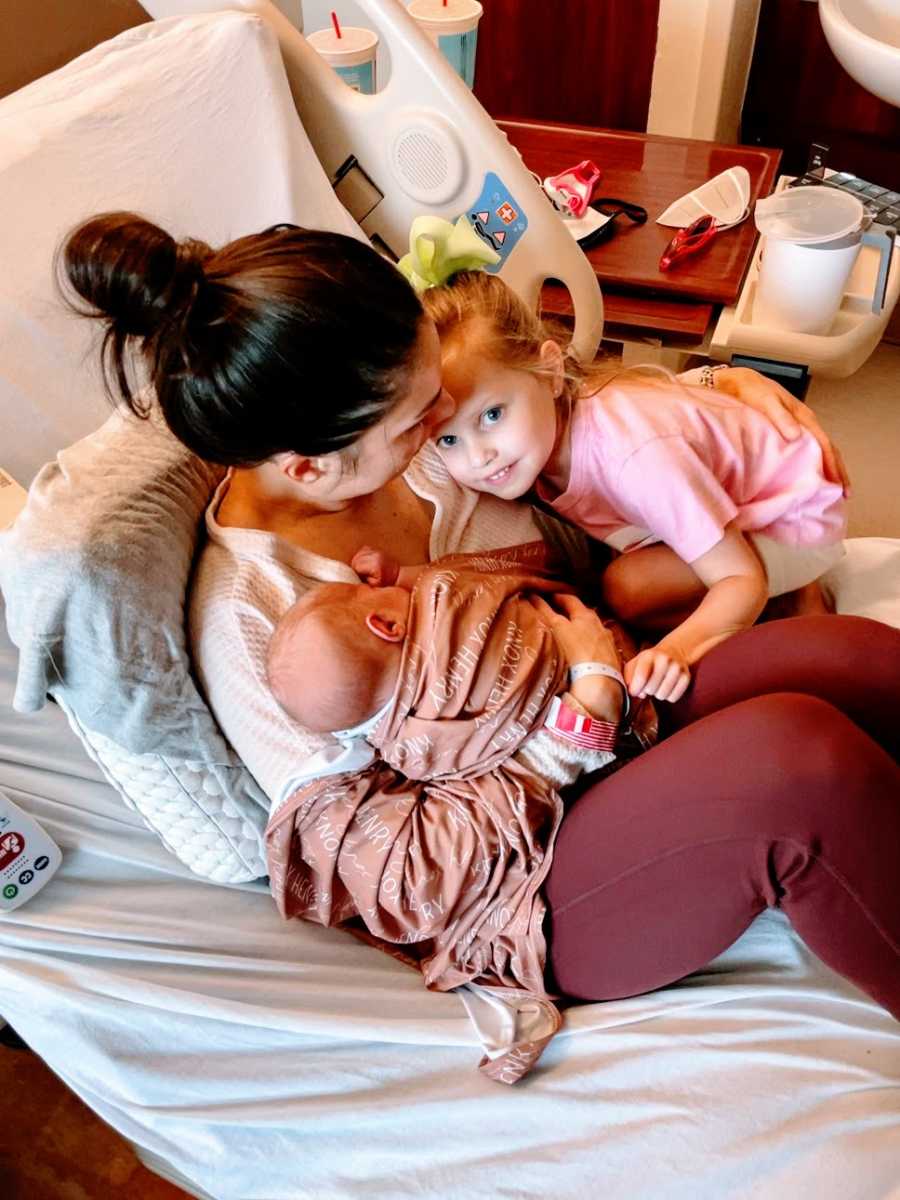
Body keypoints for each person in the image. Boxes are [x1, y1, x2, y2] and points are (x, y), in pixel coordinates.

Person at [59, 213, 900, 1081]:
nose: (447, 427)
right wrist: (572, 729)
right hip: (532, 880)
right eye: (423, 417)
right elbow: (407, 881)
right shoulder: (259, 619)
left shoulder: (424, 450)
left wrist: (724, 390)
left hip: (614, 704)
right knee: (803, 767)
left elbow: (555, 402)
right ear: (312, 467)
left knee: (857, 659)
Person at [420, 271, 848, 704]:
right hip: (747, 490)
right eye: (449, 440)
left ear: (550, 373)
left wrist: (675, 651)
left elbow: (741, 578)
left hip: (798, 514)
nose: (479, 457)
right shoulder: (544, 434)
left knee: (629, 588)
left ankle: (795, 600)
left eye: (492, 415)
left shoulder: (634, 457)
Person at [266, 555, 636, 784]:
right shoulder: (444, 598)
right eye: (361, 591)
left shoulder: (408, 754)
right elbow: (489, 576)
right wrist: (404, 574)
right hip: (616, 660)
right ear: (387, 625)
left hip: (594, 762)